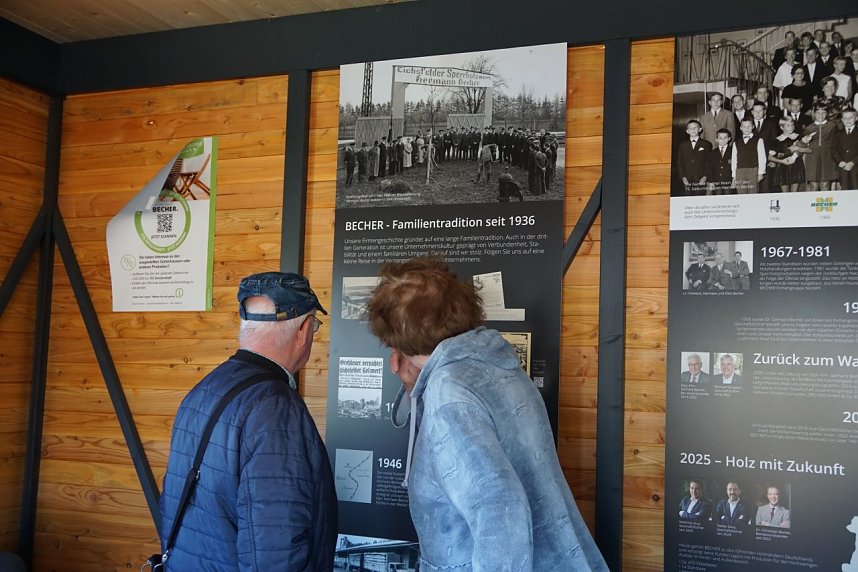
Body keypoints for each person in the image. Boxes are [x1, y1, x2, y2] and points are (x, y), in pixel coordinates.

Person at [365, 258, 608, 571]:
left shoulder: (448, 392)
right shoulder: (494, 361)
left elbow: (500, 510)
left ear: (396, 337)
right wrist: (418, 387)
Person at [160, 272, 336, 570]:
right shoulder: (276, 408)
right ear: (304, 330)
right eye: (314, 326)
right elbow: (275, 545)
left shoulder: (203, 389)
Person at [802, 104, 838, 192]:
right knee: (814, 186)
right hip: (812, 158)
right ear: (814, 113)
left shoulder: (832, 126)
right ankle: (814, 205)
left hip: (827, 158)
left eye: (823, 112)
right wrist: (805, 140)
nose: (820, 115)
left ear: (827, 113)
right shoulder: (809, 128)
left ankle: (825, 205)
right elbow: (802, 143)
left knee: (825, 184)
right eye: (818, 112)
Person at [768, 117, 809, 192]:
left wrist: (798, 149)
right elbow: (770, 157)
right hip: (783, 167)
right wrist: (782, 161)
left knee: (795, 192)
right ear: (781, 127)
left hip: (796, 165)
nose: (791, 127)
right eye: (788, 125)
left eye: (792, 125)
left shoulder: (799, 137)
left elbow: (809, 150)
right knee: (785, 193)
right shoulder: (777, 140)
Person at [676, 119, 712, 195]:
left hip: (700, 178)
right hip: (686, 179)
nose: (693, 130)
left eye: (695, 127)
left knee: (700, 198)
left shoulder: (706, 144)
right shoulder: (682, 145)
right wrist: (683, 177)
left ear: (700, 129)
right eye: (690, 128)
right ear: (687, 131)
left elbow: (708, 162)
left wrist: (705, 176)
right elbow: (679, 163)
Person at [731, 117, 766, 194]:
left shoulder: (759, 140)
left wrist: (761, 173)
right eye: (744, 126)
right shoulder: (736, 143)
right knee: (741, 193)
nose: (746, 128)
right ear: (740, 128)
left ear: (753, 127)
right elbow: (734, 159)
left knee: (753, 193)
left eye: (749, 126)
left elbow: (762, 158)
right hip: (739, 171)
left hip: (753, 170)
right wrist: (734, 175)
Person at [833, 108, 858, 190]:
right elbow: (833, 149)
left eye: (850, 117)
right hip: (843, 167)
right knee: (845, 191)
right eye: (845, 118)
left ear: (856, 118)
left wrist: (853, 162)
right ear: (842, 120)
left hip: (856, 167)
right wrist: (839, 161)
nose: (848, 120)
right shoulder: (838, 133)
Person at [706, 128, 735, 195]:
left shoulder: (733, 151)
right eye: (720, 138)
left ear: (729, 138)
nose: (723, 140)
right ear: (716, 139)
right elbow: (709, 168)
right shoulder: (712, 153)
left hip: (728, 182)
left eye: (725, 137)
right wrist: (711, 182)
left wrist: (734, 179)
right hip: (716, 182)